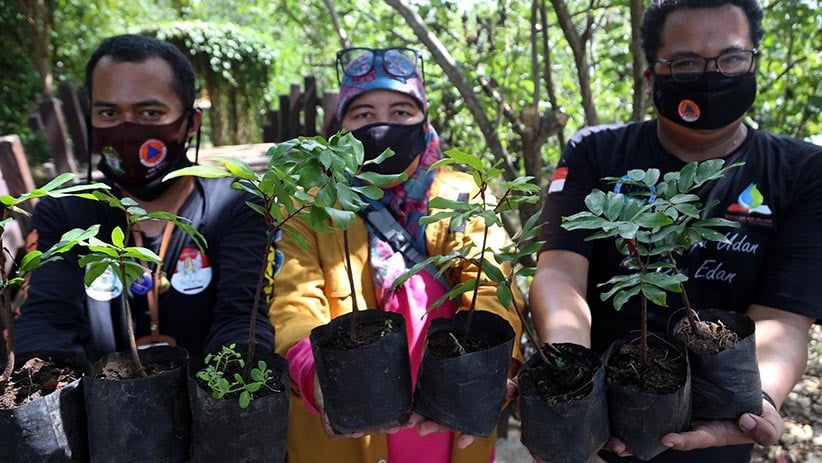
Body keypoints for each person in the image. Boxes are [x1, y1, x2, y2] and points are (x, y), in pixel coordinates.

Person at [530, 0, 821, 461]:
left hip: (721, 425)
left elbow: (784, 319)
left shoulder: (804, 170)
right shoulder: (595, 152)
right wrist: (572, 374)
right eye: (685, 62)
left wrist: (755, 398)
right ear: (652, 78)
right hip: (602, 415)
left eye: (731, 58)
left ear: (753, 63)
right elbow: (559, 272)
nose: (713, 74)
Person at [269, 47, 523, 463]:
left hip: (447, 416)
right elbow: (293, 298)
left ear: (424, 119)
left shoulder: (464, 193)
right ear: (340, 126)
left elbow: (492, 283)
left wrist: (491, 370)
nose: (383, 125)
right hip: (346, 426)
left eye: (401, 111)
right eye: (363, 114)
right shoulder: (308, 205)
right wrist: (317, 376)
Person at [15, 34, 273, 361]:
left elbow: (242, 320)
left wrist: (228, 390)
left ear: (191, 123)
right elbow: (45, 322)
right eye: (108, 113)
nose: (127, 129)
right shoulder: (62, 213)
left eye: (149, 113)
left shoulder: (237, 204)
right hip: (97, 406)